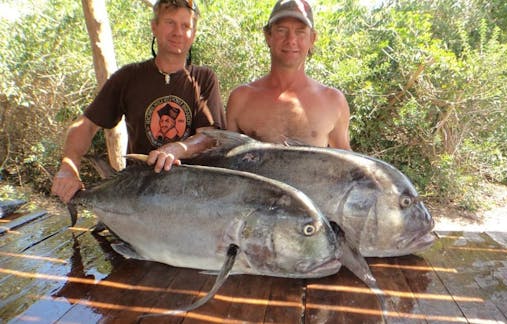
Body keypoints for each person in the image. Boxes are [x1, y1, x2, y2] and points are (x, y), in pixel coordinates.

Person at [52, 0, 225, 203]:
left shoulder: (204, 78)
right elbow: (86, 125)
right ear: (154, 27)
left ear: (193, 34)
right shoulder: (128, 77)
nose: (178, 32)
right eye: (170, 22)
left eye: (186, 25)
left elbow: (210, 136)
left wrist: (179, 148)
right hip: (137, 197)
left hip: (191, 198)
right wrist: (68, 166)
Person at [226, 0, 351, 149]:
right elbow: (227, 161)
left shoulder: (333, 101)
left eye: (300, 32)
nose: (291, 40)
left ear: (312, 39)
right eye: (281, 30)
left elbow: (345, 163)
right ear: (268, 36)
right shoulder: (241, 99)